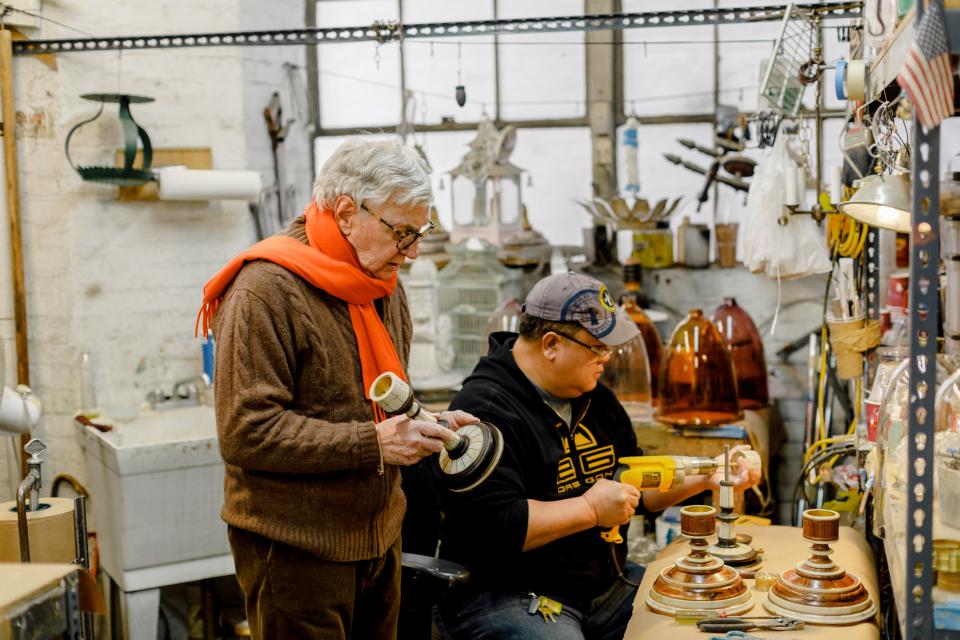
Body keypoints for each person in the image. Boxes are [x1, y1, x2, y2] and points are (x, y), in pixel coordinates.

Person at [197, 138, 479, 640]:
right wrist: (374, 443)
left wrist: (430, 424)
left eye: (421, 231)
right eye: (403, 232)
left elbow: (385, 400)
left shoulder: (379, 284)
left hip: (379, 536)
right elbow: (246, 432)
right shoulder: (264, 291)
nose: (412, 251)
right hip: (295, 552)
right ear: (347, 211)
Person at [437, 272, 761, 640]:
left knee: (702, 619)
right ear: (551, 344)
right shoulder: (483, 409)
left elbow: (635, 482)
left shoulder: (594, 397)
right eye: (597, 347)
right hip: (507, 595)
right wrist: (590, 510)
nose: (607, 358)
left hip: (601, 589)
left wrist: (707, 474)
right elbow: (499, 528)